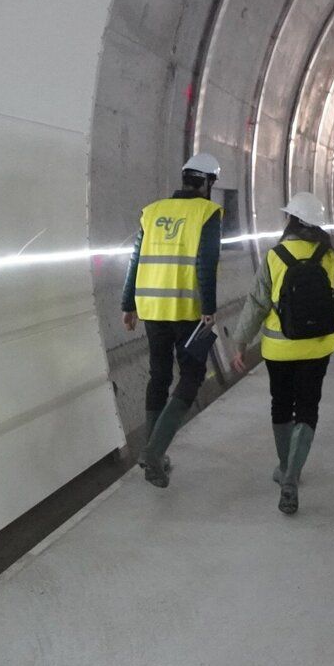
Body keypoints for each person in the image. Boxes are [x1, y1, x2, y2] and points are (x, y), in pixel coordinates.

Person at [231, 193, 334, 515]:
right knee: (308, 406)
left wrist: (240, 341)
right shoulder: (329, 257)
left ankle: (285, 469)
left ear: (292, 220)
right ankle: (293, 477)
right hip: (319, 345)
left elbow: (257, 304)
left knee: (281, 404)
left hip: (278, 348)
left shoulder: (274, 256)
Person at [120, 151, 223, 488]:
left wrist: (127, 304)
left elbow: (135, 259)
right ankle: (153, 451)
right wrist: (209, 307)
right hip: (187, 310)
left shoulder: (152, 212)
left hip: (151, 308)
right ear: (207, 183)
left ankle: (155, 453)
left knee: (159, 376)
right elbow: (206, 265)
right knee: (191, 378)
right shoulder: (207, 213)